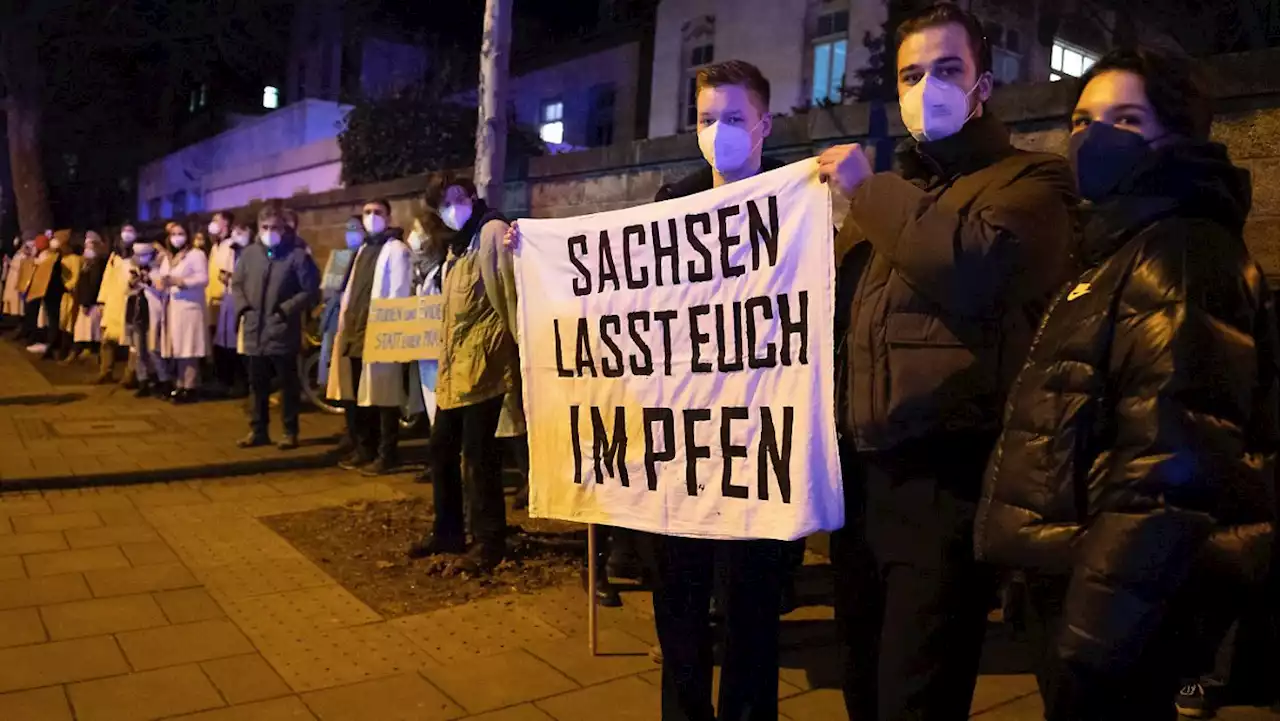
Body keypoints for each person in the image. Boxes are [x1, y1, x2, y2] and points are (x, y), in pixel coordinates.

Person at [976, 46, 1280, 721]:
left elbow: (1169, 468)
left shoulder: (1179, 253)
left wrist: (1093, 635)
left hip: (1113, 608)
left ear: (1178, 135)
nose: (1092, 135)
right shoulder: (1119, 245)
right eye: (1082, 118)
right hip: (1084, 581)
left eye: (1125, 118)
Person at [817, 4, 1079, 719]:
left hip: (946, 481)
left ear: (984, 85)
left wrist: (869, 191)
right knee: (864, 682)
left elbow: (974, 268)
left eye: (946, 69)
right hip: (861, 486)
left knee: (918, 691)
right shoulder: (899, 201)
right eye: (909, 73)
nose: (925, 85)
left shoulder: (1032, 182)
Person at [406, 173, 518, 573]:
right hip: (457, 371)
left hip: (486, 368)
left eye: (455, 198)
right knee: (441, 449)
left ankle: (490, 540)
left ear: (471, 195)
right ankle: (448, 531)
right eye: (442, 204)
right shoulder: (458, 246)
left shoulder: (492, 234)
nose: (450, 209)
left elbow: (511, 297)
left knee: (479, 457)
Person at [327, 198, 420, 476]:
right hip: (355, 334)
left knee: (385, 399)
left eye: (377, 212)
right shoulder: (363, 249)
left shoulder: (396, 250)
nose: (371, 217)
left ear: (389, 216)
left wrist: (389, 330)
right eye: (367, 212)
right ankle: (364, 449)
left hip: (380, 333)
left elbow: (399, 294)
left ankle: (387, 453)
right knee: (358, 397)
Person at [234, 204, 320, 451]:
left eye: (275, 228)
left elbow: (310, 289)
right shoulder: (249, 254)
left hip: (282, 329)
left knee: (287, 383)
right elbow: (238, 284)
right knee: (257, 384)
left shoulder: (297, 255)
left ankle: (289, 430)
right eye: (265, 227)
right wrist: (244, 309)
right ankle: (258, 429)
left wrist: (286, 309)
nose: (270, 232)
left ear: (284, 229)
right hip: (254, 329)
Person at [318, 217, 363, 457]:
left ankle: (356, 432)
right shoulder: (340, 258)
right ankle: (349, 428)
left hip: (354, 326)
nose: (352, 233)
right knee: (340, 382)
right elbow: (328, 290)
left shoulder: (367, 256)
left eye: (357, 229)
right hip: (336, 323)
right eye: (349, 229)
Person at [158, 222, 209, 403]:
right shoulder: (169, 257)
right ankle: (180, 383)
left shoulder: (196, 255)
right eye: (173, 234)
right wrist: (161, 281)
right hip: (173, 307)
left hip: (190, 306)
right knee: (177, 347)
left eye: (181, 233)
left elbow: (203, 278)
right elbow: (162, 276)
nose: (177, 237)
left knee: (189, 347)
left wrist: (181, 281)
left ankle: (191, 385)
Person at [210, 215, 250, 397]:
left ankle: (241, 382)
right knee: (224, 341)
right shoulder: (233, 251)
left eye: (241, 233)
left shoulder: (251, 253)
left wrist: (231, 278)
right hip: (227, 298)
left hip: (241, 300)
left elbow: (248, 278)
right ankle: (225, 380)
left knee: (238, 343)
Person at [125, 241, 170, 397]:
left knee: (153, 349)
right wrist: (134, 282)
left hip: (153, 313)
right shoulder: (134, 269)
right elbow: (128, 289)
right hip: (137, 313)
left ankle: (164, 380)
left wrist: (148, 280)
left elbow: (161, 290)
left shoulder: (158, 270)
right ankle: (143, 380)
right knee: (139, 350)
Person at [97, 224, 137, 385]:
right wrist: (102, 300)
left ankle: (131, 374)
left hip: (130, 302)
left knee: (132, 340)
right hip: (113, 302)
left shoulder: (139, 256)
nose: (127, 235)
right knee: (107, 339)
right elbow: (107, 279)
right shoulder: (114, 257)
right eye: (124, 231)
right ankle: (105, 370)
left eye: (131, 231)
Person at [67, 231, 107, 364]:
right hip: (86, 302)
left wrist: (86, 302)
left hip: (91, 304)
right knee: (83, 330)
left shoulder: (97, 265)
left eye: (90, 247)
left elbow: (94, 284)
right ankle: (80, 352)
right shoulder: (88, 264)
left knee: (90, 331)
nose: (87, 250)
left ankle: (89, 352)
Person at [22, 233, 53, 352]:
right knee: (31, 315)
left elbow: (40, 266)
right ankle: (31, 337)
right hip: (32, 290)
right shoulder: (40, 255)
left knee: (36, 316)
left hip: (39, 291)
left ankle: (34, 338)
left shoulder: (47, 256)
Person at [3, 237, 32, 325]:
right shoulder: (18, 254)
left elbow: (21, 267)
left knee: (17, 299)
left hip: (17, 279)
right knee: (11, 297)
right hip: (12, 278)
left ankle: (19, 319)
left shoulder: (25, 256)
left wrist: (9, 262)